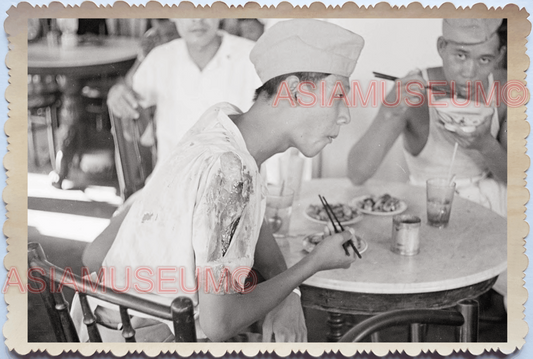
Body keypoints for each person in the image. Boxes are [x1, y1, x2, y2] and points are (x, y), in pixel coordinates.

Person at [75, 19, 365, 342]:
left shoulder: (226, 122)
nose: (346, 115)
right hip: (141, 339)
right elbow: (220, 323)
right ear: (295, 91)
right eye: (339, 95)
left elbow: (254, 227)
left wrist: (289, 294)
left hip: (110, 324)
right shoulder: (232, 169)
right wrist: (314, 263)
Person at [346, 18, 507, 302]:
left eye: (485, 59)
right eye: (460, 55)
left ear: (500, 56)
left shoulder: (505, 88)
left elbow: (519, 180)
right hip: (428, 214)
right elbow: (357, 173)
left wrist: (486, 145)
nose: (470, 72)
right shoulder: (415, 89)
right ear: (441, 46)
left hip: (497, 210)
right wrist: (390, 111)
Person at [106, 18, 262, 165]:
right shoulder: (160, 58)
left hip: (236, 180)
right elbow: (132, 101)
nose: (197, 19)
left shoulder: (251, 56)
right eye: (187, 7)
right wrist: (119, 94)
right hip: (171, 181)